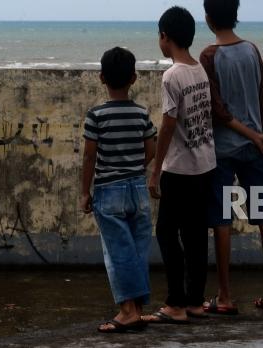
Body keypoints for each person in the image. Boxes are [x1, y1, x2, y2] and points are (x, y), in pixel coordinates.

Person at [200, 0, 263, 314]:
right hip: (256, 149)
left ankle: (224, 296)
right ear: (235, 15)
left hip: (222, 152)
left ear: (208, 19)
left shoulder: (209, 56)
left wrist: (251, 136)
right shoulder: (252, 50)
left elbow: (218, 112)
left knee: (221, 220)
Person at [143, 6, 217, 325]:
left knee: (166, 232)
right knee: (196, 234)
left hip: (180, 168)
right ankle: (195, 301)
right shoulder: (198, 70)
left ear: (165, 37)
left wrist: (156, 170)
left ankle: (175, 303)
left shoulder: (172, 75)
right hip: (205, 164)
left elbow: (169, 124)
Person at [80, 46, 157, 333]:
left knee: (118, 253)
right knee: (137, 251)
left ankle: (127, 312)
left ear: (101, 78)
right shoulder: (141, 113)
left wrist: (85, 192)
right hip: (137, 188)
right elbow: (152, 148)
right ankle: (137, 308)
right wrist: (134, 167)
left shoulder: (96, 115)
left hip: (108, 190)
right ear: (134, 78)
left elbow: (90, 156)